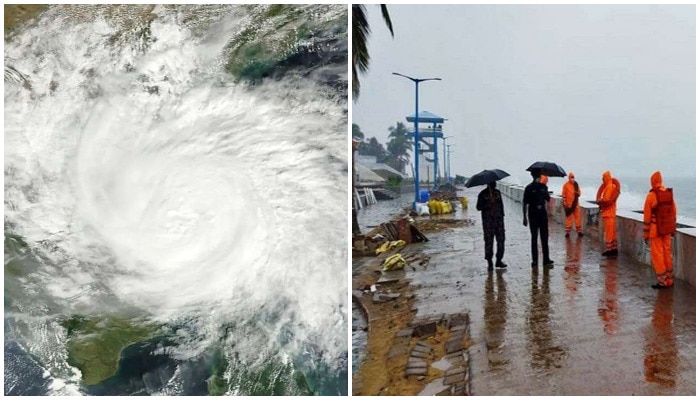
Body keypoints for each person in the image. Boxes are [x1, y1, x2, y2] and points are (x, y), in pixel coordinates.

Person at [643, 171, 677, 289]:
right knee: (667, 253)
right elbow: (674, 212)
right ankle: (669, 279)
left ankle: (662, 281)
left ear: (652, 182)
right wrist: (672, 228)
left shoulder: (651, 196)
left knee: (658, 255)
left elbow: (647, 217)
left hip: (655, 230)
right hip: (667, 229)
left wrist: (646, 234)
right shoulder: (668, 194)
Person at [523, 170, 553, 268]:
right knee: (534, 238)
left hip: (542, 215)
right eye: (537, 176)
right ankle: (535, 261)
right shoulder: (528, 188)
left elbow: (548, 199)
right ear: (533, 176)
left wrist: (547, 192)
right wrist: (524, 217)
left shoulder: (543, 187)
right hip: (533, 215)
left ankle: (546, 259)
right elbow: (525, 203)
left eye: (539, 176)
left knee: (545, 238)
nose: (538, 177)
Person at [476, 181, 507, 269]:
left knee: (501, 241)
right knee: (489, 242)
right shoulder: (482, 194)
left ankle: (499, 260)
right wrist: (488, 204)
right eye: (493, 183)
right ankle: (489, 262)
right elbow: (478, 207)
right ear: (489, 184)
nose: (495, 184)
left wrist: (502, 217)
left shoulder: (497, 193)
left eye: (495, 183)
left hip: (499, 222)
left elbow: (501, 206)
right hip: (488, 223)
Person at [596, 171, 620, 257]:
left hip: (608, 213)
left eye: (603, 178)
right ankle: (614, 249)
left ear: (606, 178)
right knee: (612, 233)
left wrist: (600, 200)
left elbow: (606, 199)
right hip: (611, 213)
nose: (602, 180)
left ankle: (609, 250)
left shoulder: (609, 187)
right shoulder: (612, 186)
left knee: (609, 233)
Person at [561, 172, 583, 238]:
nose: (572, 179)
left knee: (578, 218)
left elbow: (579, 193)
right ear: (569, 178)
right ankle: (567, 232)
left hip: (575, 204)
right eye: (571, 177)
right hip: (569, 205)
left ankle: (579, 232)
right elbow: (564, 194)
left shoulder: (576, 185)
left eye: (573, 177)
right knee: (568, 219)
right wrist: (565, 203)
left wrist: (577, 193)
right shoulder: (565, 185)